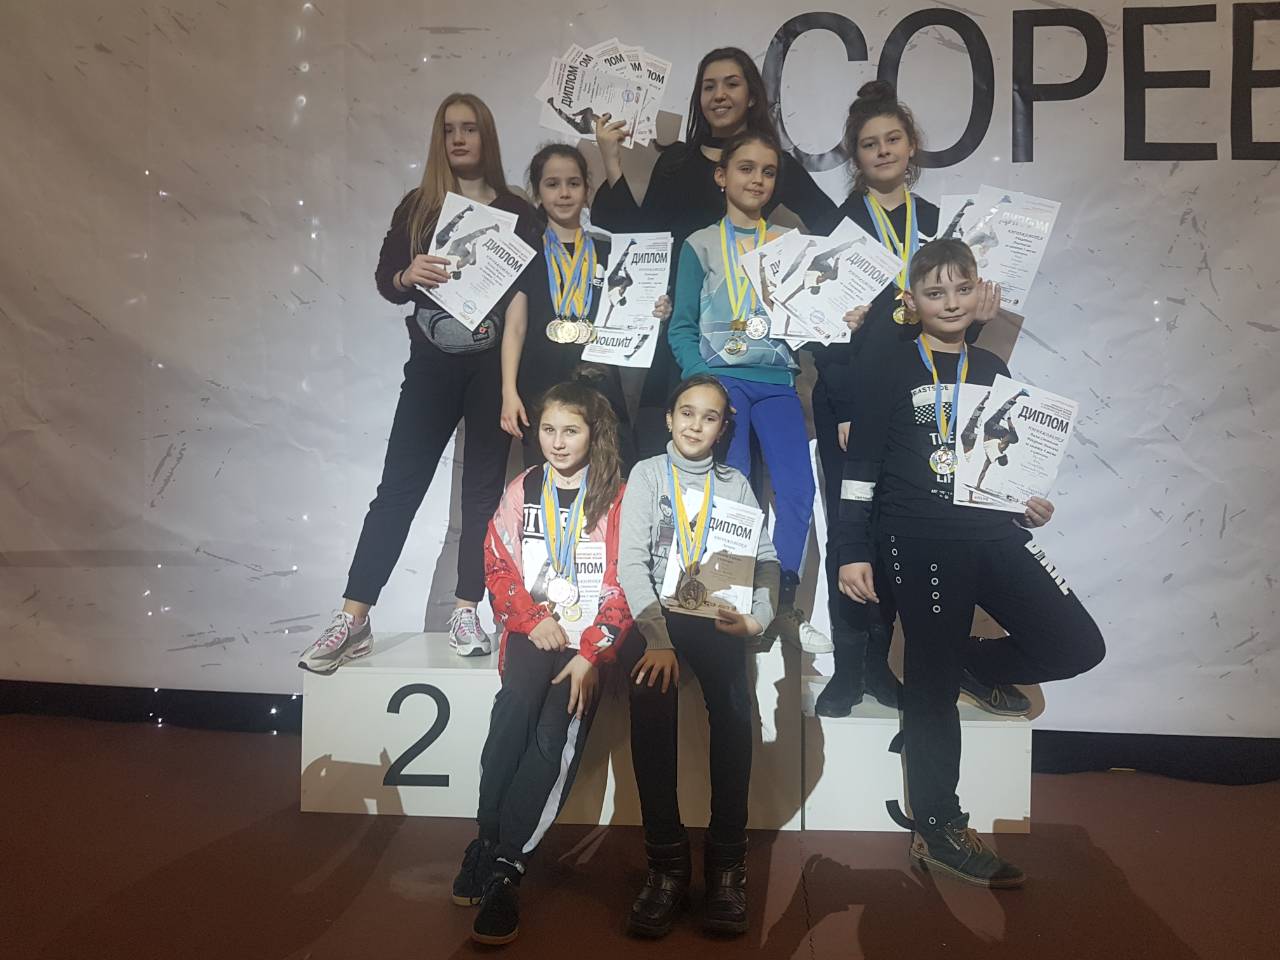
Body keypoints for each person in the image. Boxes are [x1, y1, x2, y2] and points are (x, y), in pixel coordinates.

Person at [835, 239, 1106, 887]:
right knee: (930, 687)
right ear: (913, 302)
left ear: (977, 290)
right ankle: (938, 828)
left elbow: (1002, 460)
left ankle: (974, 665)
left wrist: (1027, 505)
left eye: (962, 289)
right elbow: (861, 466)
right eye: (936, 292)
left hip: (989, 530)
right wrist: (850, 550)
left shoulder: (989, 366)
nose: (951, 303)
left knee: (1076, 644)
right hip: (917, 539)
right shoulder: (887, 366)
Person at [297, 93, 539, 672]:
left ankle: (466, 609)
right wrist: (409, 274)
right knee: (398, 491)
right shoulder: (420, 205)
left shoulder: (517, 210)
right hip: (431, 365)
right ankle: (354, 617)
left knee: (481, 497)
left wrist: (510, 384)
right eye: (449, 129)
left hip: (490, 369)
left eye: (469, 128)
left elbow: (524, 302)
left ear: (486, 136)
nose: (459, 139)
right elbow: (387, 280)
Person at [814, 80, 1006, 716]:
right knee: (852, 532)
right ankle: (849, 668)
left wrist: (980, 320)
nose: (883, 151)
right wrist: (846, 408)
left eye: (892, 139)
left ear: (912, 146)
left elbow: (948, 327)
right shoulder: (835, 226)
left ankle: (883, 665)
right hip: (851, 404)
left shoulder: (943, 226)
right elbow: (818, 330)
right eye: (869, 144)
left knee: (899, 530)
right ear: (855, 155)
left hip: (918, 402)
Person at [590, 47, 840, 459]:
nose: (719, 94)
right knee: (662, 447)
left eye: (731, 84)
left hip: (745, 343)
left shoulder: (771, 162)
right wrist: (611, 160)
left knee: (736, 461)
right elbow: (642, 237)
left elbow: (831, 225)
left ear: (753, 96)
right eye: (709, 87)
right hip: (680, 329)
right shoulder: (675, 161)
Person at [453, 381, 633, 945]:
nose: (557, 442)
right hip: (532, 634)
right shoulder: (525, 487)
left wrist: (593, 653)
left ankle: (508, 866)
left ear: (594, 435)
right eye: (549, 429)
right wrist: (531, 620)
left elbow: (627, 580)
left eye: (570, 431)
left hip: (585, 649)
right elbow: (497, 559)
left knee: (552, 737)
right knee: (512, 712)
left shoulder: (617, 496)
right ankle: (486, 839)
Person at [666, 131, 844, 655]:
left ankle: (779, 604)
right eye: (745, 168)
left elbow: (811, 319)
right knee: (734, 490)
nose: (757, 180)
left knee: (797, 491)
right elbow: (682, 326)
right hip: (723, 384)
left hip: (778, 383)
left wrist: (841, 318)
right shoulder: (699, 244)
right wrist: (704, 381)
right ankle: (729, 598)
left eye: (768, 172)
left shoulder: (790, 243)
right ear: (722, 176)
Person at [616, 374, 781, 938]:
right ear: (668, 418)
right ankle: (666, 865)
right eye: (686, 412)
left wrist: (758, 619)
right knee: (649, 698)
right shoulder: (647, 474)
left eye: (709, 417)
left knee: (735, 713)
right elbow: (630, 563)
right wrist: (658, 639)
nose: (695, 425)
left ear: (722, 428)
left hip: (714, 617)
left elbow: (765, 560)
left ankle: (726, 868)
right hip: (657, 616)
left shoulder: (735, 484)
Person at [500, 144, 670, 472]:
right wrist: (508, 391)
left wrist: (657, 310)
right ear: (537, 191)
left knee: (609, 477)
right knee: (548, 481)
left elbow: (630, 307)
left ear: (587, 189)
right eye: (553, 184)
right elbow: (515, 327)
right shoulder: (526, 252)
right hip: (540, 385)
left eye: (573, 183)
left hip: (599, 385)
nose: (564, 193)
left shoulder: (610, 250)